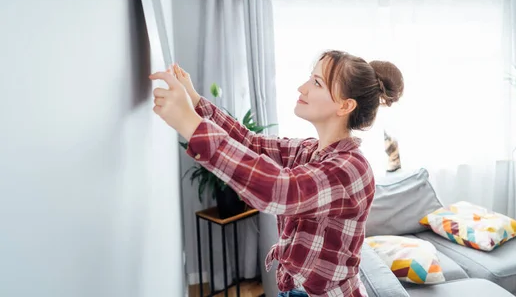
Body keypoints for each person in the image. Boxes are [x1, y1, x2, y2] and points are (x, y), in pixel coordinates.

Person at [149, 50, 404, 297]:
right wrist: (195, 101)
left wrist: (187, 122)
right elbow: (250, 142)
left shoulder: (351, 169)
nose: (302, 88)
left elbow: (278, 190)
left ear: (345, 105)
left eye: (316, 83)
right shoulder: (307, 151)